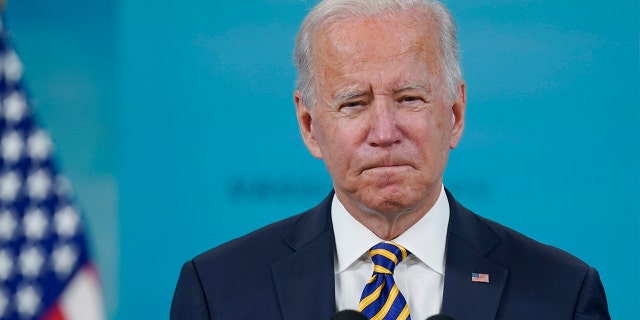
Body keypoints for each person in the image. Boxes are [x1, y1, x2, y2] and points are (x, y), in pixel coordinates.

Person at [170, 0, 610, 319]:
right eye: (353, 104)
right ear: (309, 125)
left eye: (409, 98)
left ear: (454, 115)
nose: (384, 133)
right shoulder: (218, 291)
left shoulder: (563, 294)